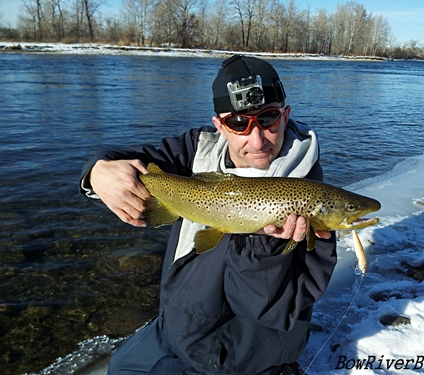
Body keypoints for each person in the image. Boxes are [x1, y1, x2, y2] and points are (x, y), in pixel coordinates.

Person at [80, 54, 337, 375]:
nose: (256, 139)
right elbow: (131, 160)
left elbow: (272, 311)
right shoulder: (195, 150)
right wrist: (98, 171)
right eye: (239, 123)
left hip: (245, 356)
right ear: (220, 125)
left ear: (285, 116)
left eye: (268, 118)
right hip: (175, 328)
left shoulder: (312, 203)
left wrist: (264, 246)